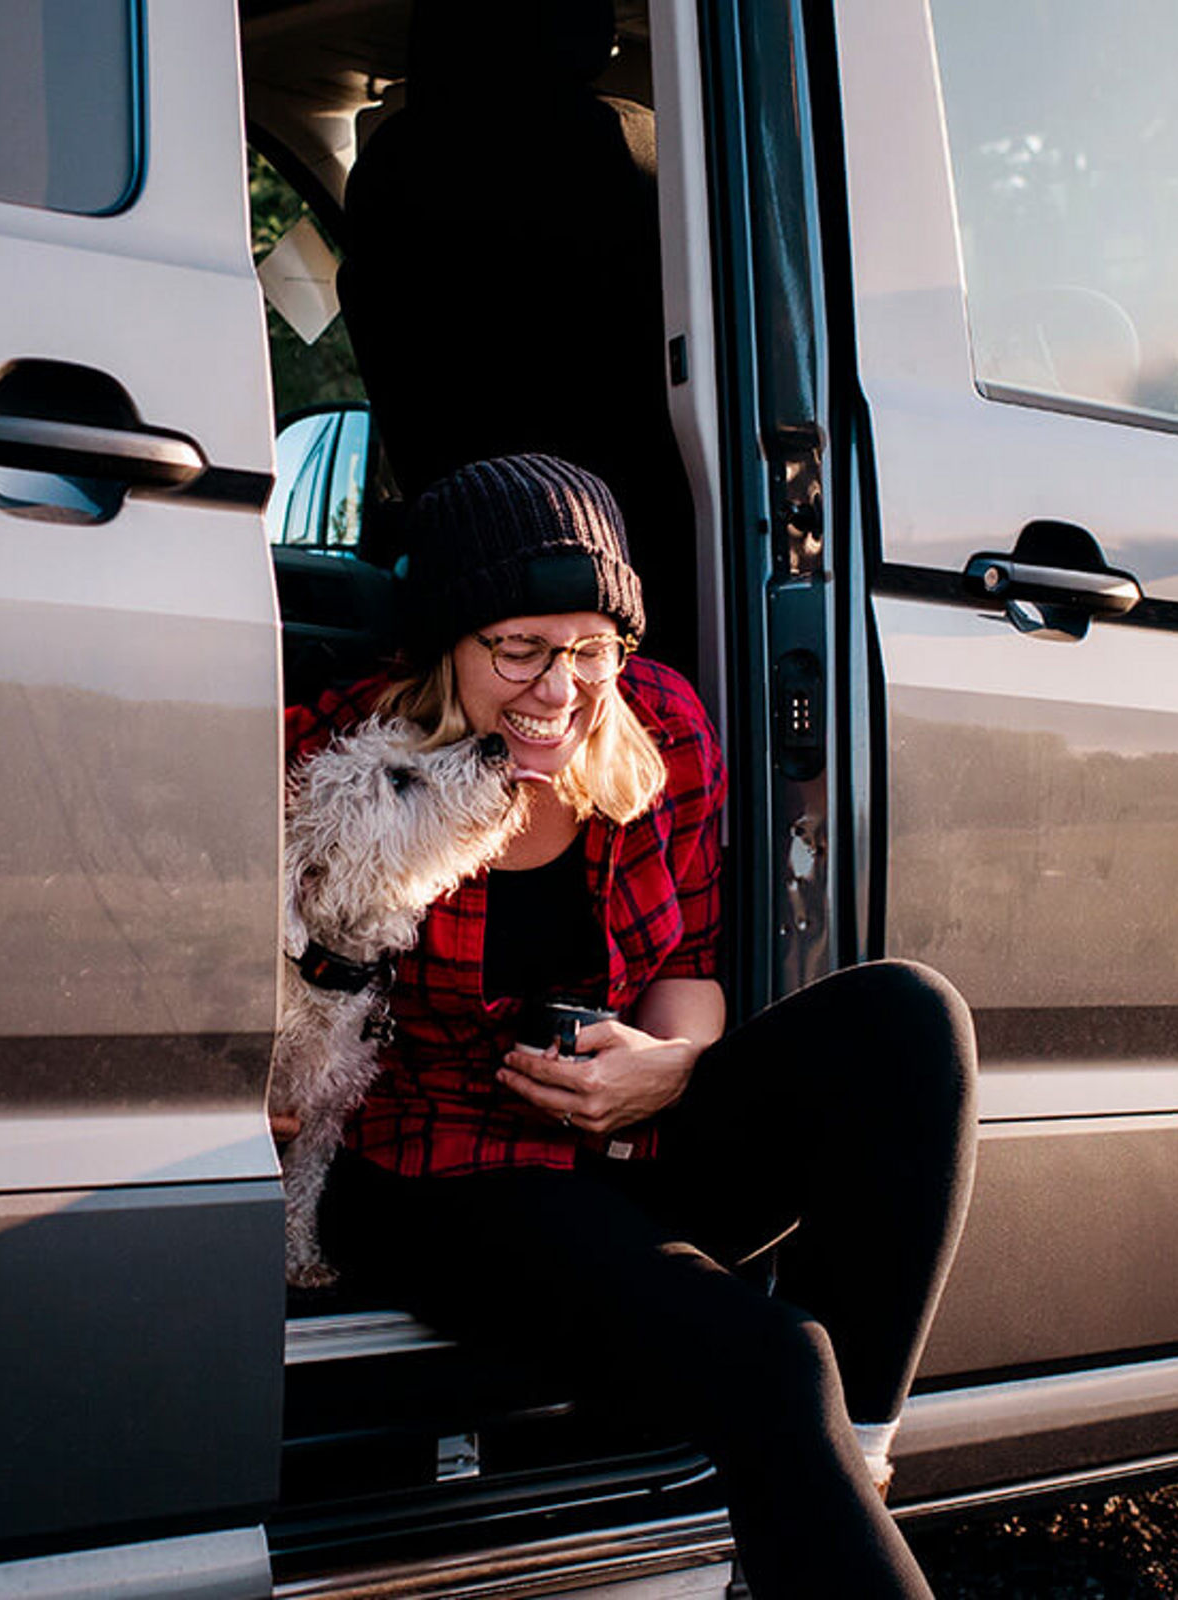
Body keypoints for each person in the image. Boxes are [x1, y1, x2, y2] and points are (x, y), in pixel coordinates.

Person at [282, 453, 978, 1599]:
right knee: (772, 1360)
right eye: (519, 648)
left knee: (907, 1019)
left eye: (590, 648)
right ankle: (808, 1499)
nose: (560, 689)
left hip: (621, 1143)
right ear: (447, 639)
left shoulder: (658, 722)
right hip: (442, 1171)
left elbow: (689, 968)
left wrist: (671, 1064)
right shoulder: (344, 764)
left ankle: (837, 1483)